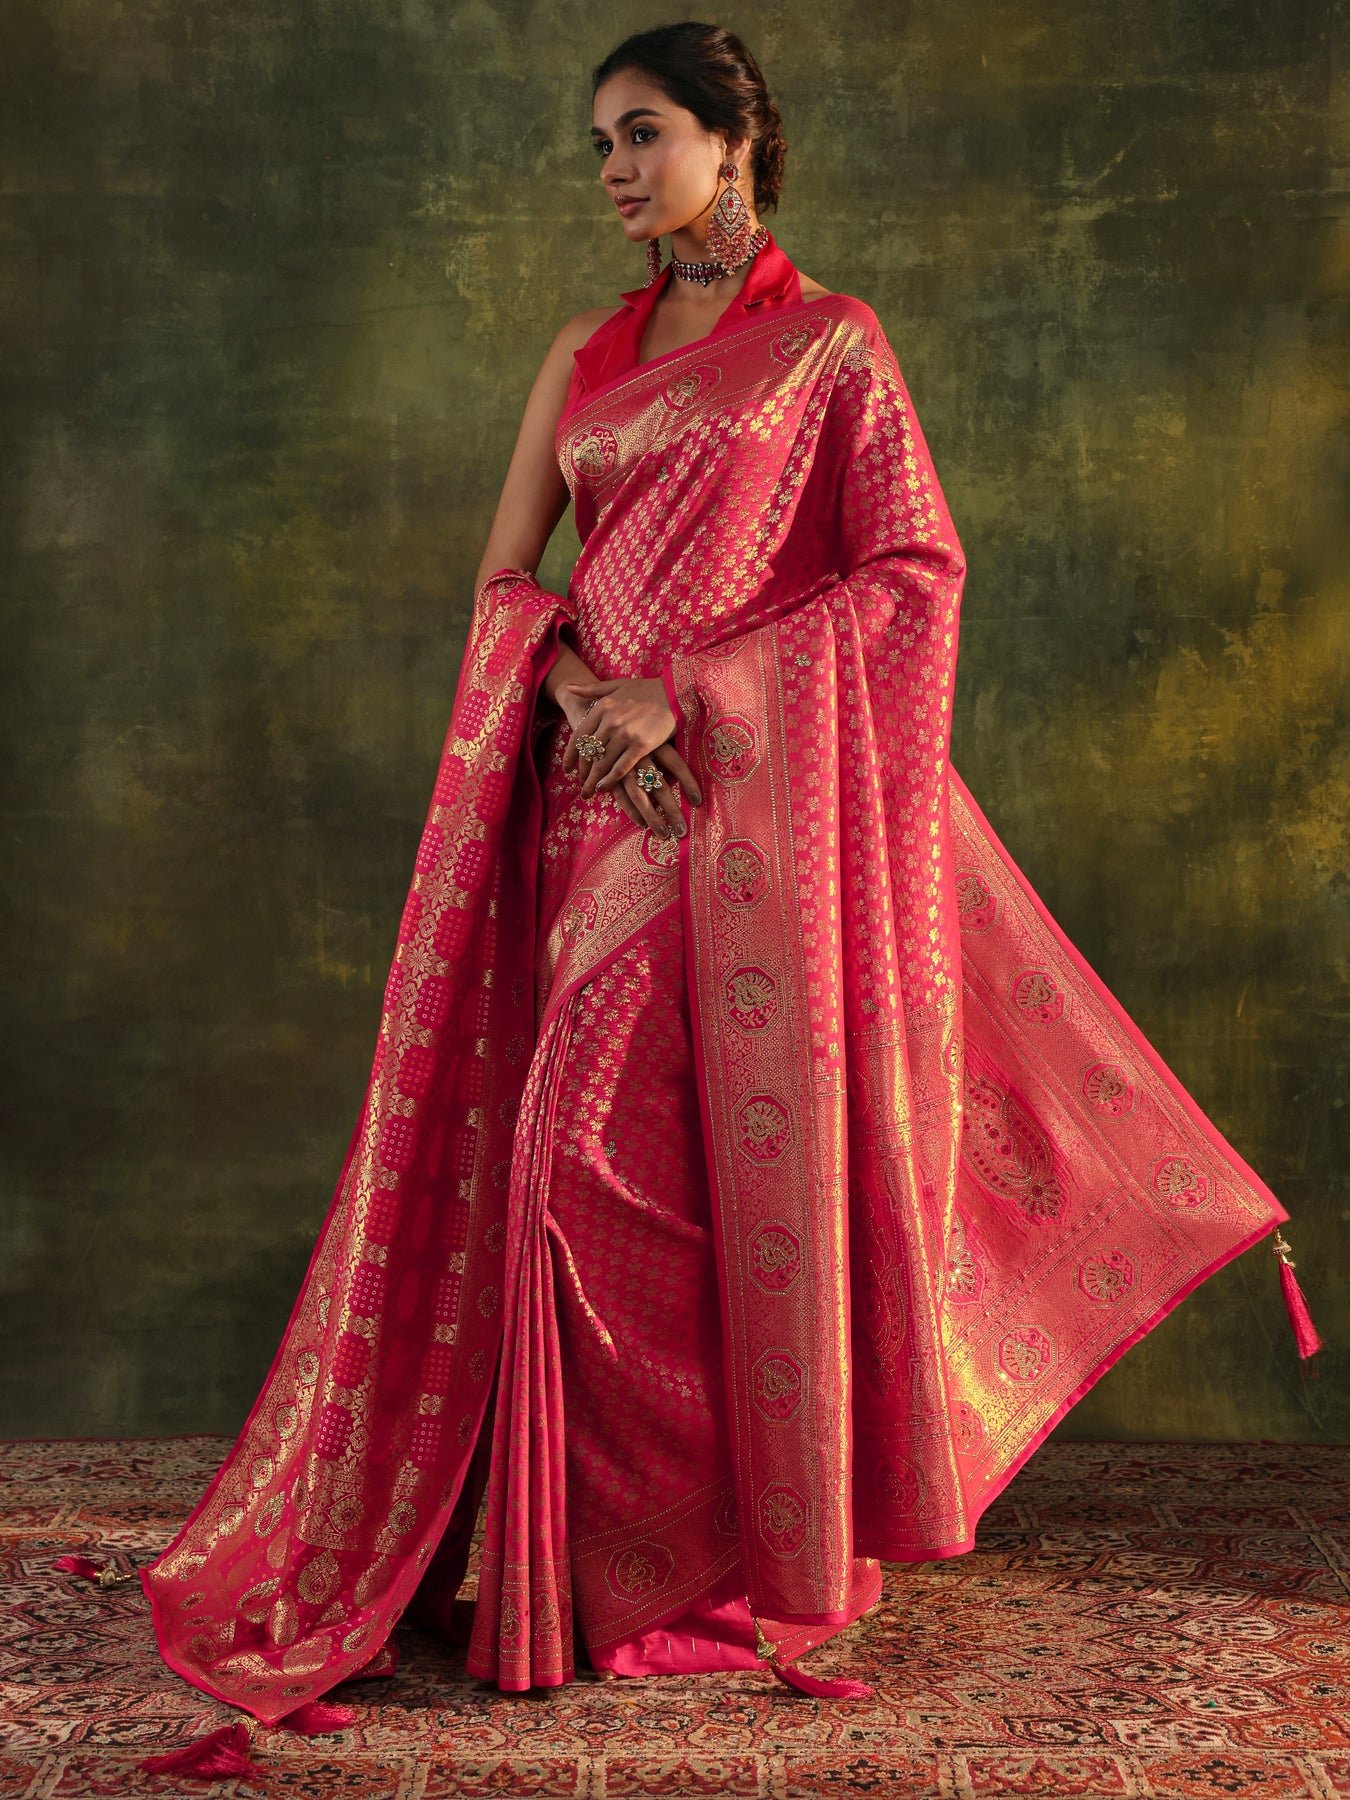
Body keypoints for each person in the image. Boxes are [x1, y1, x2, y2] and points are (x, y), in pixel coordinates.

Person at [132, 20, 1310, 1745]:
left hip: (743, 806)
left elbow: (912, 574)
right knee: (567, 1156)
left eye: (643, 134)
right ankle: (571, 1563)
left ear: (731, 144)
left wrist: (685, 696)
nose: (616, 170)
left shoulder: (831, 345)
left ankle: (690, 1568)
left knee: (682, 1169)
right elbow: (505, 581)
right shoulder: (584, 350)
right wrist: (574, 699)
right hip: (587, 807)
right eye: (599, 144)